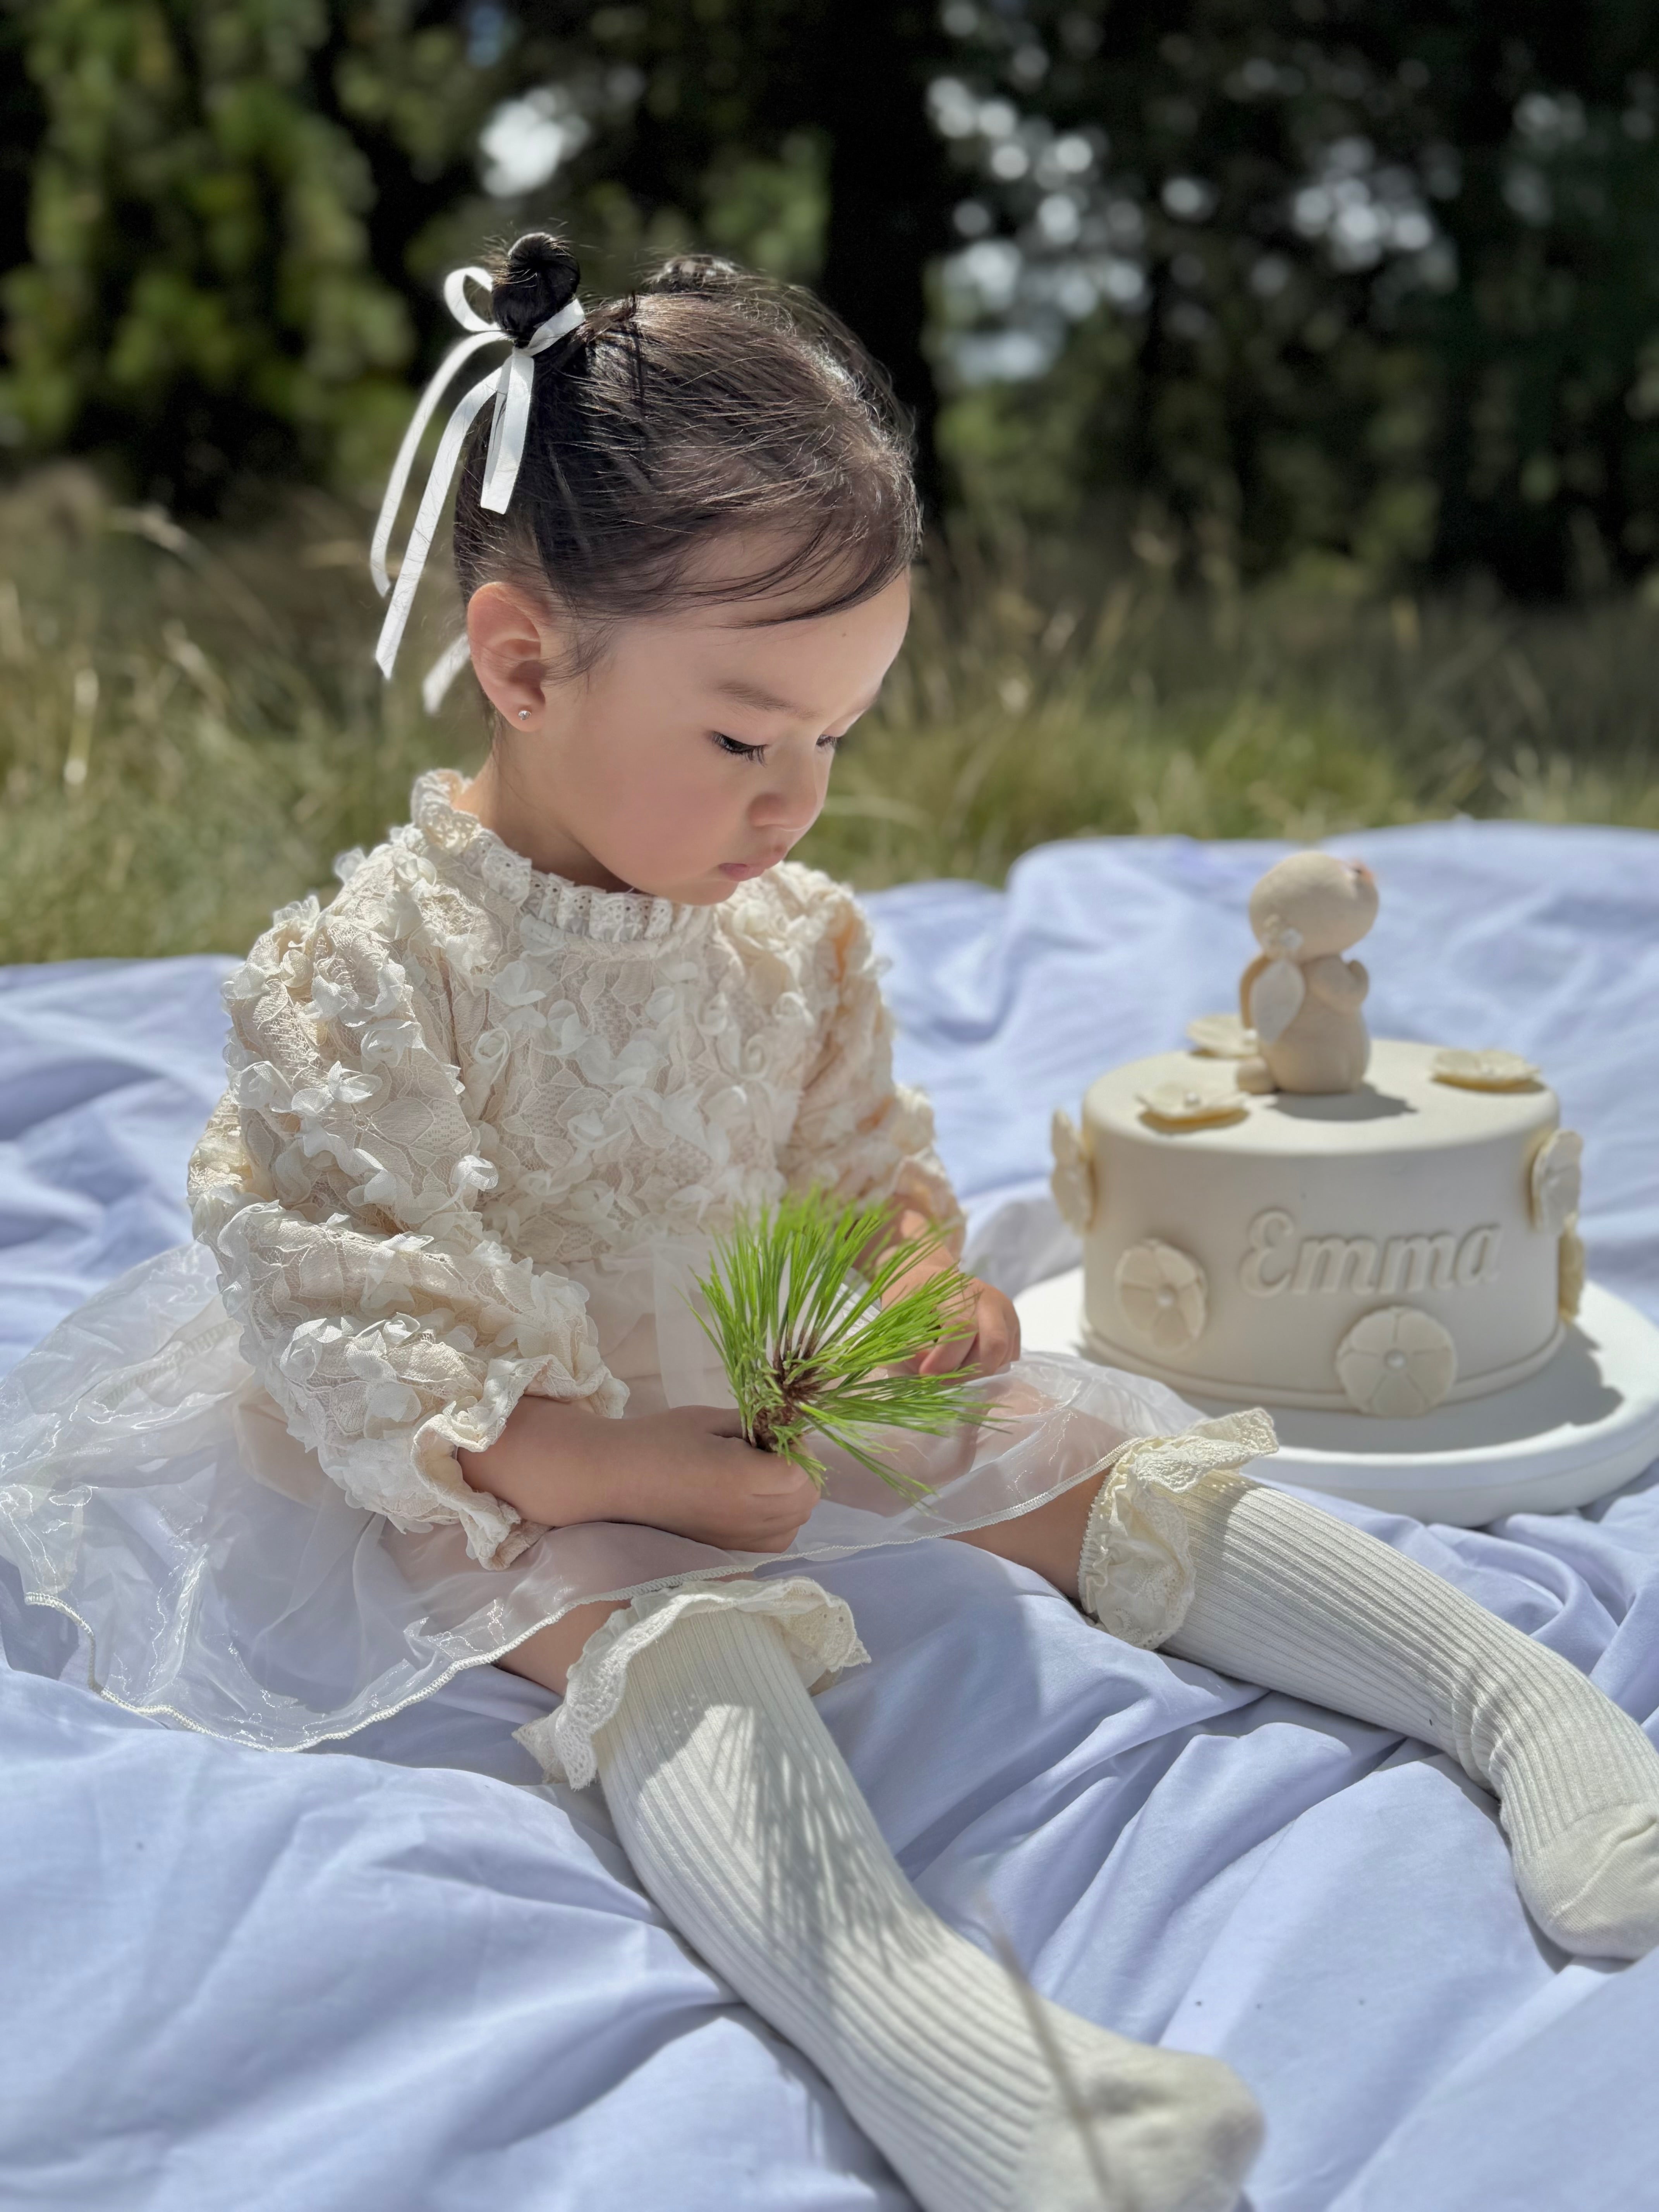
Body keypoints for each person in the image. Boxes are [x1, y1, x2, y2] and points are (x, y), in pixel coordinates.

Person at [3, 233, 1657, 2212]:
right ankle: (948, 2057)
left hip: (756, 1366)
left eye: (835, 742)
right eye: (741, 735)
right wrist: (616, 1458)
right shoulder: (372, 975)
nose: (794, 802)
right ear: (526, 664)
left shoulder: (793, 942)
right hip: (509, 1434)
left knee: (1062, 1430)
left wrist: (910, 1296)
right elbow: (361, 1302)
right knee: (628, 1601)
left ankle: (1519, 1700)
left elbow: (856, 1175)